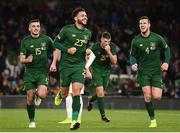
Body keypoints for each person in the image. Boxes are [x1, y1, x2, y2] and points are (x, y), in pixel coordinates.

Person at [53, 7, 91, 130]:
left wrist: (87, 51)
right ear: (76, 18)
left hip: (79, 66)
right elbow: (55, 43)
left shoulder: (88, 33)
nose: (85, 17)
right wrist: (67, 50)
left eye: (86, 15)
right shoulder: (66, 29)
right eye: (82, 15)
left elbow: (84, 48)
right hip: (66, 65)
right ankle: (60, 94)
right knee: (65, 93)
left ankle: (74, 120)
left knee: (76, 91)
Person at [130, 16, 170, 128]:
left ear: (149, 25)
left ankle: (154, 94)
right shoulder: (136, 40)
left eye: (144, 23)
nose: (142, 25)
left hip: (156, 71)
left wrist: (166, 62)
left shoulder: (157, 38)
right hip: (143, 72)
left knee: (157, 97)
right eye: (140, 23)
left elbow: (167, 49)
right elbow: (132, 55)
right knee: (147, 96)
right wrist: (133, 63)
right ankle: (153, 120)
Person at [19, 19, 59, 128]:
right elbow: (21, 58)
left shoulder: (46, 39)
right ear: (29, 28)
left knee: (42, 94)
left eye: (38, 26)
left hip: (42, 72)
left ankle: (38, 95)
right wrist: (26, 60)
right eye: (33, 26)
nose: (36, 28)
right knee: (29, 97)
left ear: (40, 28)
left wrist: (54, 63)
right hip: (30, 72)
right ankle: (32, 121)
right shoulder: (25, 41)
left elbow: (56, 50)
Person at [87, 32, 117, 123]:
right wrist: (87, 69)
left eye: (108, 41)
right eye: (105, 41)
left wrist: (108, 51)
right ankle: (103, 116)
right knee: (100, 93)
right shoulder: (95, 47)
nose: (107, 43)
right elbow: (88, 58)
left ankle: (91, 100)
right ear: (101, 40)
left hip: (106, 71)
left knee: (102, 92)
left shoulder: (112, 46)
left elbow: (114, 61)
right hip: (96, 70)